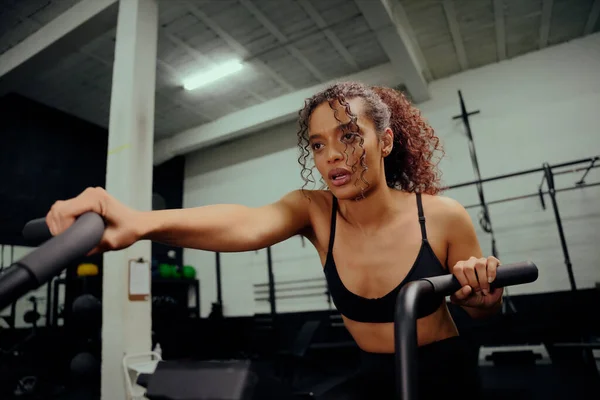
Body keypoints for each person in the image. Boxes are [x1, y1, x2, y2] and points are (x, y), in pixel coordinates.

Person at [45, 81, 501, 399]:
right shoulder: (316, 211)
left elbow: (486, 308)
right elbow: (245, 222)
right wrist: (140, 222)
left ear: (385, 142)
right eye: (318, 145)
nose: (333, 156)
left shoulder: (441, 216)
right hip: (371, 376)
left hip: (445, 376)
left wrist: (480, 295)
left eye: (348, 136)